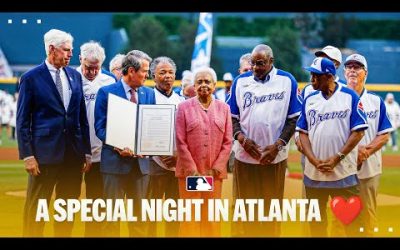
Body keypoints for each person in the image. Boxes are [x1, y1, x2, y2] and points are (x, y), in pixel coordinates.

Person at [17, 29, 91, 237]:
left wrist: (85, 151)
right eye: (66, 50)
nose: (70, 54)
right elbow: (22, 120)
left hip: (73, 156)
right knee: (37, 208)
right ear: (51, 49)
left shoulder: (75, 76)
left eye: (71, 50)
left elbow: (81, 118)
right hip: (44, 155)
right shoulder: (30, 78)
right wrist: (28, 155)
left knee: (67, 209)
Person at [228, 44, 302, 236]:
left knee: (271, 212)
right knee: (247, 212)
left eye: (260, 63)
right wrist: (242, 138)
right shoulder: (240, 82)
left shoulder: (287, 80)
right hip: (245, 157)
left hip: (274, 158)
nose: (255, 68)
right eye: (253, 63)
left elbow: (294, 117)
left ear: (271, 62)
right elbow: (231, 117)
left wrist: (278, 145)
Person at [296, 57, 368, 237]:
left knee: (353, 225)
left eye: (316, 76)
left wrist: (337, 157)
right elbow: (302, 132)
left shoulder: (350, 96)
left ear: (329, 76)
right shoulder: (310, 99)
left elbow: (359, 131)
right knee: (317, 225)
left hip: (343, 173)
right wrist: (312, 159)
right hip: (314, 175)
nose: (312, 80)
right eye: (311, 75)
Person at [94, 50, 155, 237]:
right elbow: (100, 127)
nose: (147, 75)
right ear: (130, 71)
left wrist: (149, 147)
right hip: (114, 164)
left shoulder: (149, 94)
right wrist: (117, 145)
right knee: (111, 220)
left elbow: (150, 127)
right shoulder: (106, 92)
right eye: (144, 71)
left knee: (139, 221)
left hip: (141, 166)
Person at [175, 66, 233, 237]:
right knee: (190, 218)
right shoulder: (184, 108)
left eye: (207, 81)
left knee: (212, 218)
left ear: (214, 85)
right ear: (194, 86)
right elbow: (180, 141)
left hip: (213, 174)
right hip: (190, 174)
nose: (203, 85)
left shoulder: (224, 108)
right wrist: (193, 171)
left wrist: (217, 166)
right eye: (199, 82)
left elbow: (228, 141)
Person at [344, 54, 392, 236]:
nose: (353, 70)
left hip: (369, 170)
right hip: (341, 170)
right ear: (344, 71)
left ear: (366, 73)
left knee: (368, 216)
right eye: (349, 67)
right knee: (339, 219)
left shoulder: (375, 101)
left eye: (357, 67)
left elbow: (385, 134)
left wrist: (365, 152)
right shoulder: (337, 99)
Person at [77, 41, 116, 237]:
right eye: (88, 67)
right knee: (68, 198)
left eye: (96, 68)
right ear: (80, 60)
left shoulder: (109, 82)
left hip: (100, 153)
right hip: (75, 152)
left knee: (96, 202)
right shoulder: (71, 78)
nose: (92, 72)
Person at [146, 56, 184, 237]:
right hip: (154, 163)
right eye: (162, 72)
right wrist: (157, 152)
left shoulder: (181, 102)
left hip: (177, 165)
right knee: (151, 211)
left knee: (174, 211)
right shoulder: (147, 98)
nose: (167, 76)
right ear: (153, 75)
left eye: (170, 72)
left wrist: (179, 155)